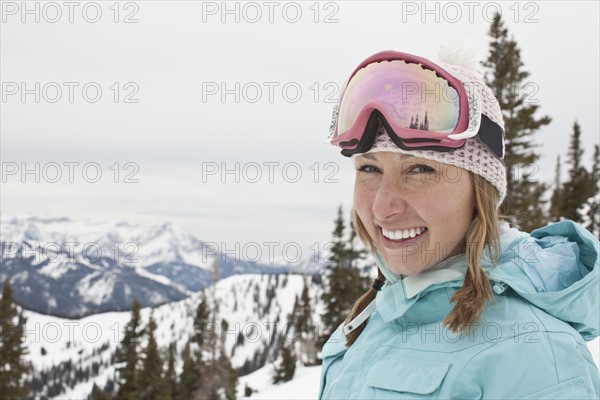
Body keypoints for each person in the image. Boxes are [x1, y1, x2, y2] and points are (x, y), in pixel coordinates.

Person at [319, 48, 599, 399]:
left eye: (420, 169)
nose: (382, 207)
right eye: (369, 169)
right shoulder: (378, 315)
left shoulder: (535, 354)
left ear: (479, 190)